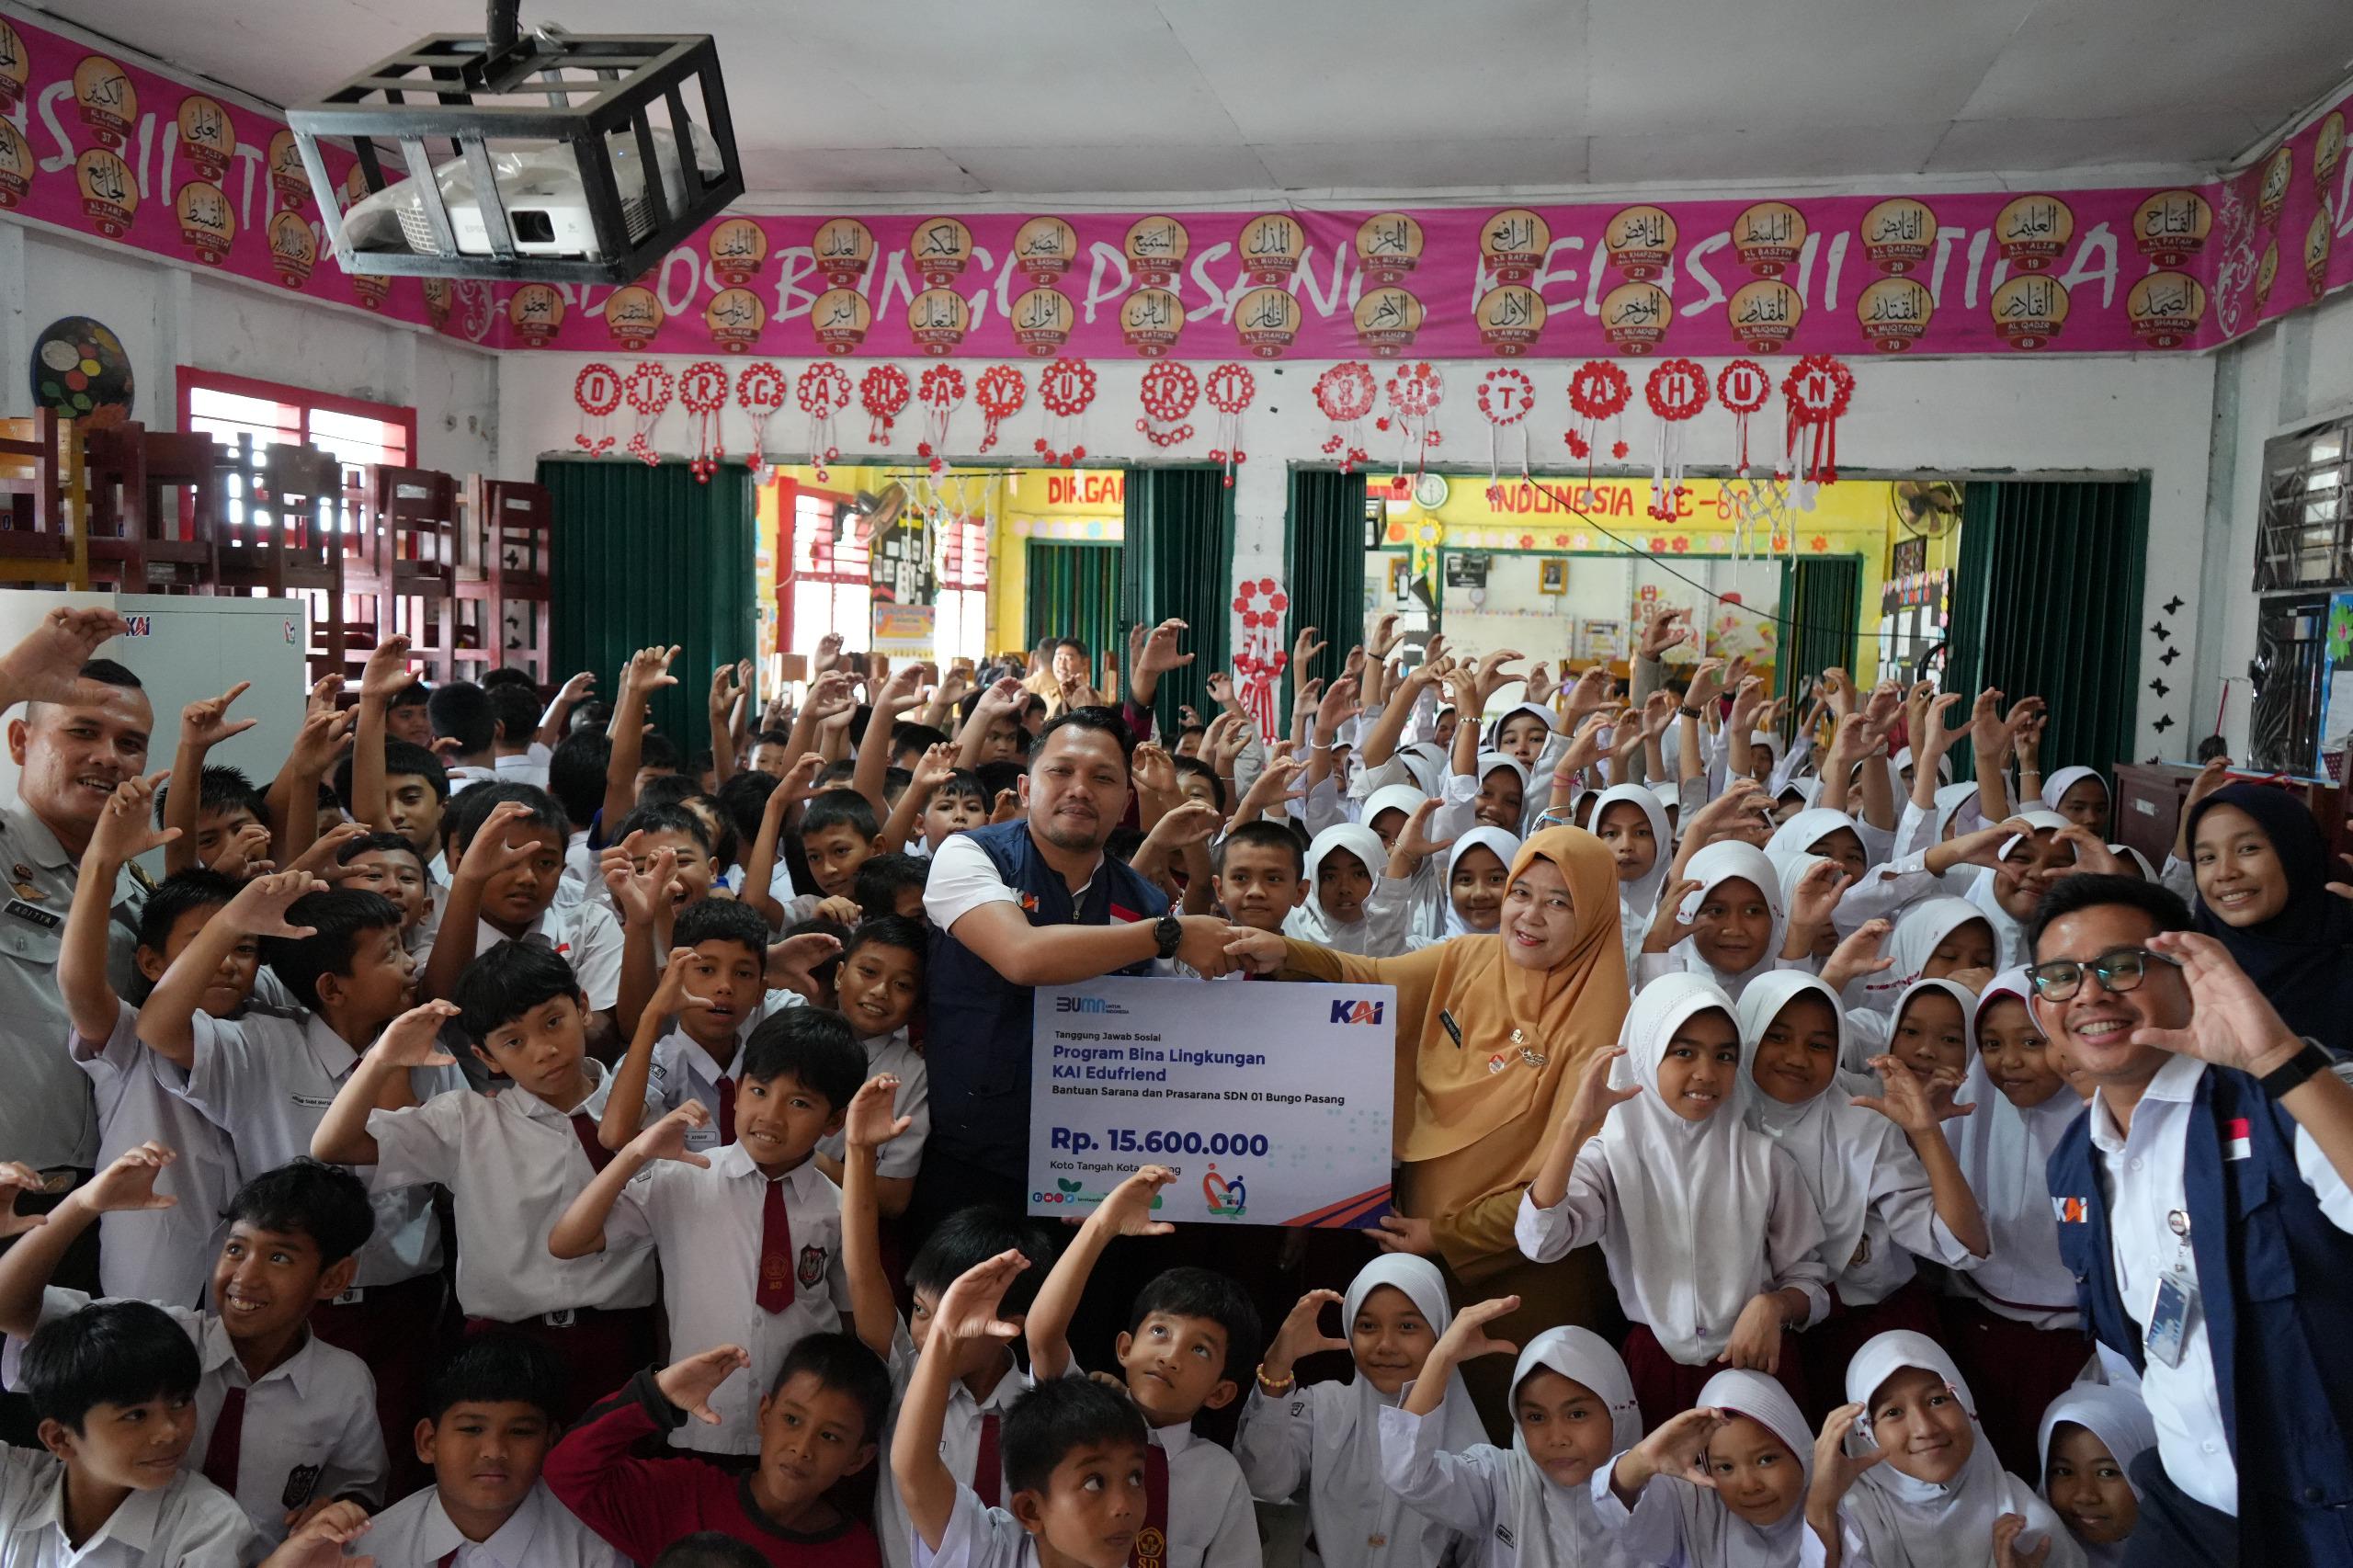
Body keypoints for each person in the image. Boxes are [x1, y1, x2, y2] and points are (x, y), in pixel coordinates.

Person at [1222, 827, 1630, 1421]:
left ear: (1592, 914)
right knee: (1418, 1429)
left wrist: (1444, 1235)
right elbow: (1370, 979)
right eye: (1522, 893)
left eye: (1558, 902)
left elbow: (1567, 1184)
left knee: (1517, 1421)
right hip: (1418, 1259)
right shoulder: (1467, 960)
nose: (1530, 916)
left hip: (1525, 1277)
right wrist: (1288, 953)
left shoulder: (1605, 1027)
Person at [2032, 875, 2353, 1562]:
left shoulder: (2282, 1098)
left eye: (2121, 965)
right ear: (2040, 1010)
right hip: (2190, 1505)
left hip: (2325, 1509)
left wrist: (2274, 1056)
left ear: (2186, 977)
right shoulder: (2073, 1166)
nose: (2089, 993)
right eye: (2061, 977)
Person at [136, 874, 463, 1471]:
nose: (411, 964)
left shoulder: (429, 1050)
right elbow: (159, 1028)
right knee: (275, 1466)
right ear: (332, 988)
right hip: (290, 1309)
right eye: (389, 953)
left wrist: (396, 1067)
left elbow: (449, 1166)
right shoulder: (264, 1044)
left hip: (405, 1304)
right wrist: (232, 923)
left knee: (390, 1465)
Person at [917, 706, 1238, 1229]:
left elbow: (1164, 1039)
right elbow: (1023, 956)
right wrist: (1169, 935)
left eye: (1103, 778)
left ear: (1126, 801)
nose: (1081, 789)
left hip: (1091, 1169)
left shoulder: (1143, 900)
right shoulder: (970, 856)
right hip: (972, 1159)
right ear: (1026, 789)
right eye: (1061, 771)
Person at [311, 942, 660, 1423]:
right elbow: (332, 1145)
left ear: (582, 1007)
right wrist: (382, 1060)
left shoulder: (644, 1107)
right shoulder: (467, 1121)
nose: (544, 1050)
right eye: (513, 1042)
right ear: (485, 1056)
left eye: (553, 1021)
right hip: (502, 1347)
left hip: (619, 1337)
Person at [0, 1149, 387, 1550]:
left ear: (334, 1278)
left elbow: (359, 1485)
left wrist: (337, 1507)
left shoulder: (345, 1384)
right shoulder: (151, 1337)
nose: (245, 1276)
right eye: (235, 1249)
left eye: (278, 1257)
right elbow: (8, 1307)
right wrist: (83, 1204)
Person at [548, 1010, 865, 1457]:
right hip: (700, 1423)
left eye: (799, 1103)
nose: (771, 1116)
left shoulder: (839, 1206)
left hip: (795, 1440)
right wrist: (635, 1154)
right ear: (737, 1092)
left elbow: (849, 1315)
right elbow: (567, 1242)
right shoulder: (686, 1177)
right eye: (759, 1091)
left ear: (834, 1121)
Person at [1517, 973, 1830, 1426]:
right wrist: (1573, 1126)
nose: (1706, 1072)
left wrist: (1774, 1305)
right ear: (1646, 1053)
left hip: (1755, 1364)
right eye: (1684, 1052)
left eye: (1725, 1056)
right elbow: (1541, 1241)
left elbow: (1811, 1284)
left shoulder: (1765, 1161)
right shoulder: (1611, 1158)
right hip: (1655, 1370)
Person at [1734, 971, 1988, 1416]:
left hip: (1870, 1330)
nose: (1797, 1057)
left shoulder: (1861, 1124)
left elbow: (1961, 1244)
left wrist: (1926, 1132)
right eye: (1778, 1037)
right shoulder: (1719, 1122)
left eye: (1819, 1044)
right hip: (1755, 1339)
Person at [58, 773, 246, 1308]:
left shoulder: (264, 1033)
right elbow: (80, 983)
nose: (227, 963)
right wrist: (101, 864)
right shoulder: (128, 1039)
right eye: (204, 946)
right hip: (149, 1287)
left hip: (243, 1287)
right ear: (150, 962)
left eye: (244, 947)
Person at [0, 608, 153, 1234]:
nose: (108, 757)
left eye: (130, 744)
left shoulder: (133, 887)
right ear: (20, 742)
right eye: (83, 732)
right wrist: (12, 679)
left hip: (100, 1201)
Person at [1024, 1167, 1263, 1568]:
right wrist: (1101, 1227)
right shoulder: (1082, 1419)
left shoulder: (1220, 1476)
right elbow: (1043, 1337)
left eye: (1199, 1350)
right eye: (1160, 1331)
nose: (1170, 1356)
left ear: (1220, 1392)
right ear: (1125, 1347)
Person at [890, 1250, 1152, 1568]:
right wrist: (945, 1336)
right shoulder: (994, 1554)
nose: (1124, 1506)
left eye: (1135, 1477)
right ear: (1030, 1509)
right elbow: (914, 1470)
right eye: (1094, 1481)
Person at [545, 1337, 888, 1567]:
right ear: (764, 1415)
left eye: (829, 1436)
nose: (802, 1447)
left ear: (858, 1458)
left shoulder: (854, 1554)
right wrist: (655, 1396)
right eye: (792, 1419)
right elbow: (566, 1472)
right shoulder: (686, 1495)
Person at [1233, 1256, 1485, 1568]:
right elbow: (1264, 1482)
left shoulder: (1472, 1449)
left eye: (1407, 1326)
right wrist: (1277, 1362)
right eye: (1367, 1326)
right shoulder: (1324, 1407)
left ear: (1440, 1331)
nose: (1386, 1345)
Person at [1943, 971, 2096, 1478]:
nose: (2008, 1061)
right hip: (1980, 1332)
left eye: (2032, 1041)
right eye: (1991, 1044)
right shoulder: (1968, 1112)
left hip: (2080, 1345)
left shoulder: (2105, 1125)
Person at [1378, 1305, 1641, 1566]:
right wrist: (1442, 1358)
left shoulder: (1653, 1496)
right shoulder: (1498, 1481)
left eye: (1577, 1414)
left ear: (1618, 1412)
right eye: (1536, 1417)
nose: (1557, 1438)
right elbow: (1409, 1476)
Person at [0, 1299, 253, 1568]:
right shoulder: (12, 1482)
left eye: (180, 1402)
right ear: (60, 1438)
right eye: (135, 1415)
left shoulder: (208, 1527)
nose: (170, 1432)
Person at [1806, 1330, 2085, 1568]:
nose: (1925, 1429)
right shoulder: (1851, 1517)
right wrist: (1821, 1505)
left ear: (1967, 1407)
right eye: (1893, 1412)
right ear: (1866, 1434)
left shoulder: (2026, 1521)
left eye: (1937, 1400)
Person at [346, 1333, 620, 1568]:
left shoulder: (593, 1548)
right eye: (472, 1429)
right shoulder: (372, 1548)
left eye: (520, 1432)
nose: (494, 1451)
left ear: (550, 1444)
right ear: (428, 1441)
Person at [2181, 782, 2353, 1055]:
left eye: (2248, 849)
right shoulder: (2183, 965)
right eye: (2207, 857)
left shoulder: (2344, 952)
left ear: (2296, 852)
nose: (2225, 872)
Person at [1605, 1369, 1817, 1566]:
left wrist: (1822, 1515)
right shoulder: (1695, 1503)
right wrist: (1642, 1459)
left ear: (1798, 1448)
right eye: (1725, 1467)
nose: (1749, 1486)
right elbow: (1625, 1516)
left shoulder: (1833, 1500)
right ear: (1706, 1465)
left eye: (1766, 1459)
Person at [810, 917, 929, 1218]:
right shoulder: (792, 1028)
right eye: (869, 972)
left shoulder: (912, 1075)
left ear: (917, 1002)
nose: (880, 991)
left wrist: (804, 1158)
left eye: (902, 985)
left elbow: (894, 1198)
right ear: (840, 975)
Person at [2037, 1385, 2155, 1567]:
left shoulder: (2190, 1552)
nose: (2085, 1496)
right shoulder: (2029, 1552)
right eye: (2064, 1471)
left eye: (2107, 1473)